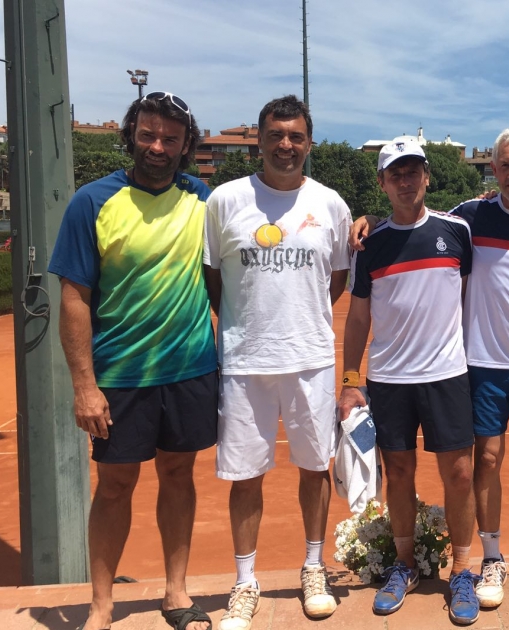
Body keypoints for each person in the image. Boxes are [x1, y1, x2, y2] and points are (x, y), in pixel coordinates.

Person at [348, 128, 509, 609]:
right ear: (493, 170)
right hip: (480, 362)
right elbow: (406, 227)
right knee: (484, 461)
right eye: (504, 165)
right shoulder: (469, 217)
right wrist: (367, 218)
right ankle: (488, 559)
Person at [49, 92, 216, 630]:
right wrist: (83, 386)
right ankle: (101, 608)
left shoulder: (203, 198)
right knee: (115, 485)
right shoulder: (92, 202)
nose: (158, 147)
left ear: (186, 144)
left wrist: (366, 219)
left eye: (170, 138)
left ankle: (175, 594)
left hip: (189, 370)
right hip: (119, 376)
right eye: (147, 134)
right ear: (131, 135)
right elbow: (73, 297)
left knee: (178, 476)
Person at [203, 95, 351, 626]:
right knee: (246, 475)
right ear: (259, 141)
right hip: (245, 360)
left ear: (309, 142)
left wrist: (297, 318)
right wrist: (252, 321)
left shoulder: (332, 204)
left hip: (311, 357)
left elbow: (334, 281)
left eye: (296, 136)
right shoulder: (224, 200)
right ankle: (245, 582)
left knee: (316, 467)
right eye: (275, 135)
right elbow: (213, 280)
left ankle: (314, 567)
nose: (286, 145)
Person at [338, 137, 481, 625]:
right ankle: (404, 565)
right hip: (390, 380)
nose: (405, 180)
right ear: (382, 183)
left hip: (447, 375)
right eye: (395, 174)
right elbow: (357, 319)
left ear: (426, 176)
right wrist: (352, 380)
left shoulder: (457, 231)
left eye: (413, 171)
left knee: (460, 474)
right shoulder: (371, 244)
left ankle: (462, 568)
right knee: (398, 475)